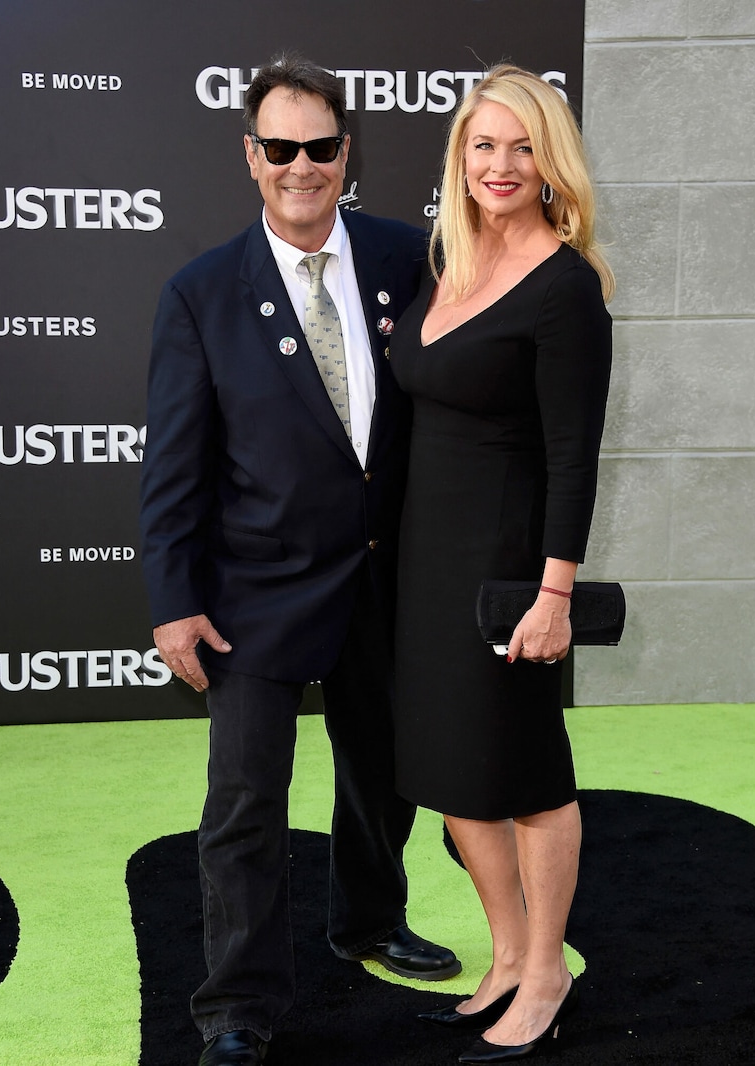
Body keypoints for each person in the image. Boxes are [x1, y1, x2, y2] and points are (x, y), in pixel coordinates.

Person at [139, 53, 460, 1066]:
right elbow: (173, 464)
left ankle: (367, 919)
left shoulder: (408, 258)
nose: (300, 166)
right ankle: (236, 1002)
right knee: (243, 800)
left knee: (382, 772)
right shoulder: (200, 292)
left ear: (344, 153)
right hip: (252, 591)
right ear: (250, 157)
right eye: (279, 148)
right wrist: (172, 600)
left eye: (318, 147)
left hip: (382, 578)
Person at [389, 65, 614, 1064]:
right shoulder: (447, 262)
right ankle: (512, 952)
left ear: (550, 161)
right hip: (423, 567)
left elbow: (572, 454)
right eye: (483, 145)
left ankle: (548, 966)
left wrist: (553, 591)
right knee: (454, 779)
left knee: (524, 775)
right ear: (460, 155)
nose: (500, 164)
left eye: (522, 146)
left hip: (509, 573)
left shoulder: (564, 289)